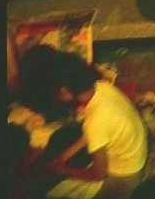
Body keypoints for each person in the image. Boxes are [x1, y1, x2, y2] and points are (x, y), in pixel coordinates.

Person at [46, 51, 148, 198]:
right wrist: (64, 157)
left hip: (125, 178)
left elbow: (99, 174)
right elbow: (93, 133)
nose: (57, 98)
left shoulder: (95, 121)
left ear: (65, 91)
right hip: (136, 157)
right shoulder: (102, 86)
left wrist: (64, 170)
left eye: (57, 94)